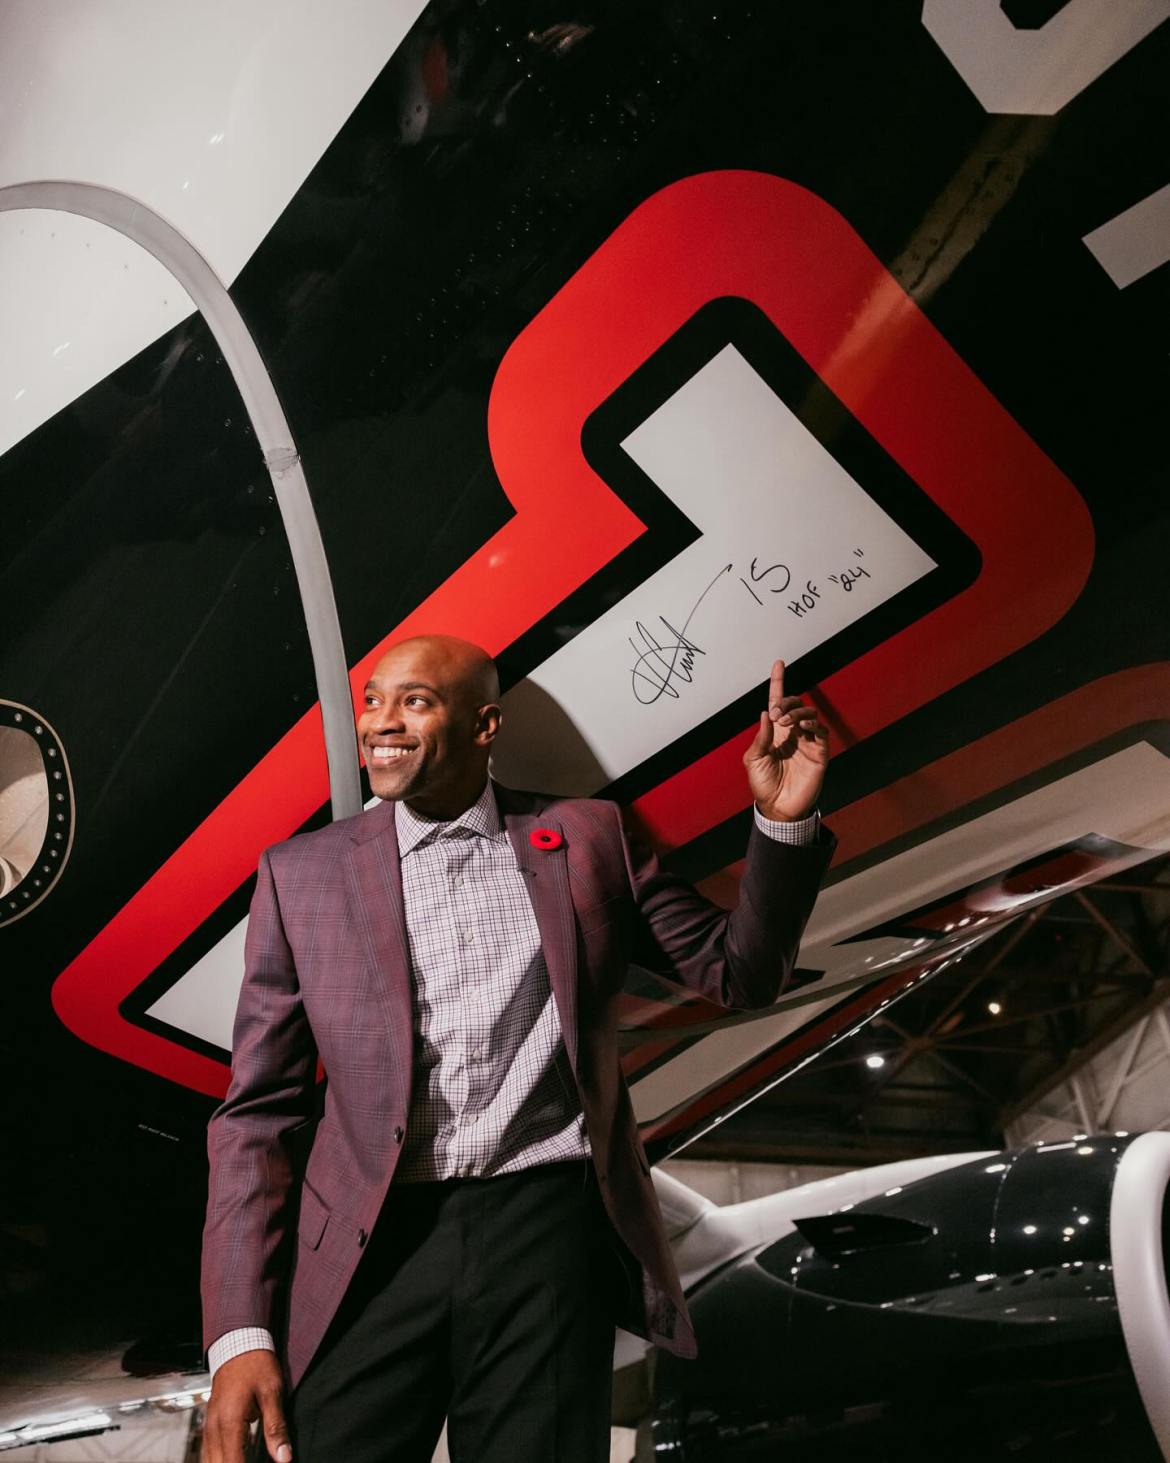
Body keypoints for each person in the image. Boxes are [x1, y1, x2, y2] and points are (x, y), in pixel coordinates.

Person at [200, 635, 834, 1463]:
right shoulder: (300, 875)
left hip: (543, 1237)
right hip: (371, 1247)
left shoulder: (587, 837)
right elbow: (260, 1113)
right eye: (373, 700)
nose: (381, 723)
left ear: (484, 724)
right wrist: (240, 1332)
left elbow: (739, 972)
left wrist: (782, 825)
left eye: (415, 701)